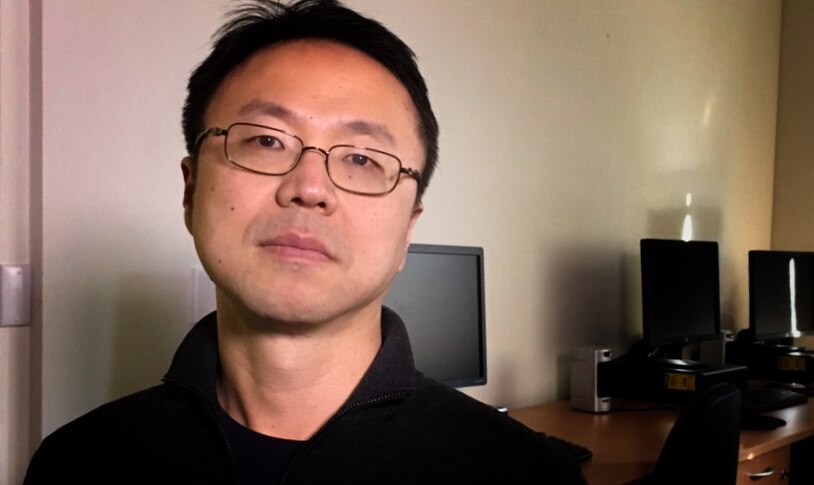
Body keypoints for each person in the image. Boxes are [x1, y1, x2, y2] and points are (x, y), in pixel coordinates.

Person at [24, 1, 587, 483]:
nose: (310, 188)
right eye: (266, 140)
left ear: (408, 227)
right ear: (192, 189)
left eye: (363, 158)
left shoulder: (523, 473)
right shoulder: (76, 462)